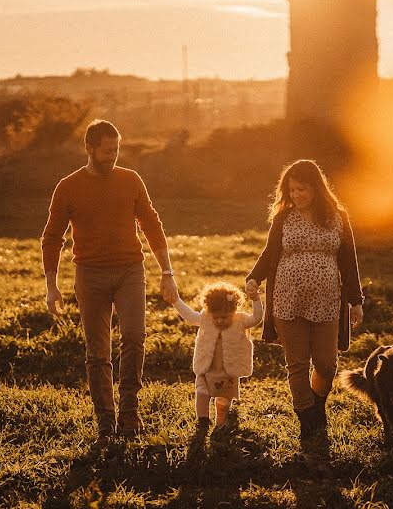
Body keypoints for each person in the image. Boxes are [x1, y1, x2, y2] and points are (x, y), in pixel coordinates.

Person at [41, 119, 178, 444]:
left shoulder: (130, 180)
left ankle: (129, 414)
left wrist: (167, 271)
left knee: (134, 338)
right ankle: (106, 422)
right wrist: (51, 285)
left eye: (116, 149)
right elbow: (52, 236)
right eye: (106, 151)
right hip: (90, 275)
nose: (112, 156)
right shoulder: (68, 186)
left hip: (130, 270)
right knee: (98, 352)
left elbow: (151, 223)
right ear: (89, 148)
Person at [245, 159, 364, 439]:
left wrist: (356, 300)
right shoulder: (283, 218)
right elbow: (269, 253)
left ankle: (315, 408)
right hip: (288, 300)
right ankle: (308, 419)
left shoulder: (338, 217)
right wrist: (254, 277)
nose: (296, 195)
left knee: (326, 364)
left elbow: (349, 261)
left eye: (302, 189)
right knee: (297, 364)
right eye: (292, 190)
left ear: (316, 188)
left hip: (327, 302)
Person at [168, 281, 264, 432]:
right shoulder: (205, 318)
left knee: (224, 399)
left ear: (234, 310)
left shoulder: (240, 320)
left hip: (228, 370)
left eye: (225, 317)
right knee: (202, 392)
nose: (220, 320)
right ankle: (203, 420)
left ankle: (221, 423)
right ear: (209, 311)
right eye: (216, 317)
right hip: (206, 368)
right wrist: (176, 301)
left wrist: (256, 299)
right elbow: (189, 315)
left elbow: (256, 319)